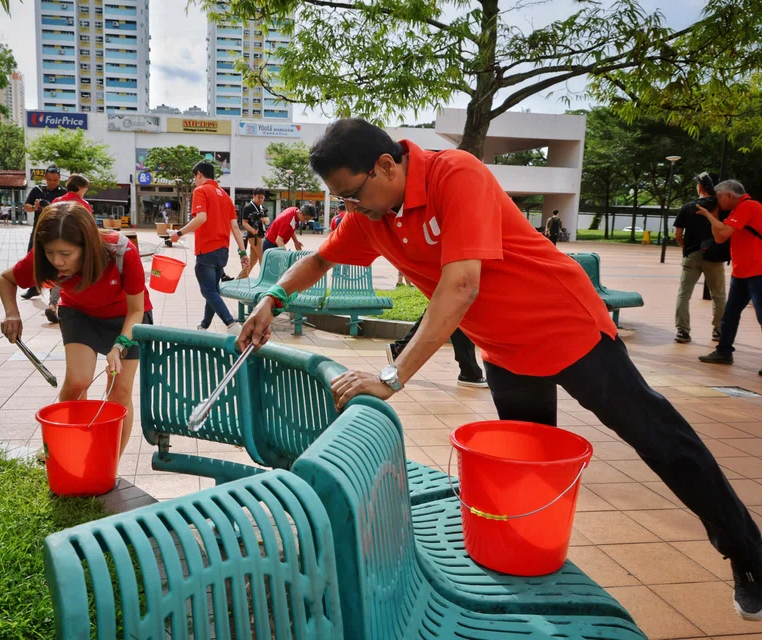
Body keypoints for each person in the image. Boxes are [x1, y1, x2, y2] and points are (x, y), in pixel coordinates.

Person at [237, 118, 762, 621]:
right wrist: (272, 298)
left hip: (568, 328)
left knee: (660, 440)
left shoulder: (454, 174)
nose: (350, 208)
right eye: (343, 200)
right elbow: (321, 259)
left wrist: (392, 377)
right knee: (529, 467)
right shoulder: (371, 217)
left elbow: (461, 285)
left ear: (385, 166)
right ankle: (531, 564)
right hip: (507, 351)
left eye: (353, 194)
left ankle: (748, 553)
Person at [0, 202, 151, 455]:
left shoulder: (121, 251)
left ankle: (109, 462)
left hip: (126, 317)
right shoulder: (46, 257)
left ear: (87, 246)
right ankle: (71, 449)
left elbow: (137, 309)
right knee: (77, 383)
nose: (57, 261)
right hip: (79, 314)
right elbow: (6, 279)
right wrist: (11, 313)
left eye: (66, 254)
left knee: (119, 391)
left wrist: (120, 344)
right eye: (50, 252)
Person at [168, 161, 249, 332]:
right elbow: (235, 227)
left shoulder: (201, 190)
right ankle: (204, 325)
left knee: (208, 291)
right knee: (213, 290)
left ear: (199, 174)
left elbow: (201, 218)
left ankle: (231, 324)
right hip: (222, 251)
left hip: (207, 250)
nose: (194, 181)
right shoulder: (225, 196)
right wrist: (243, 252)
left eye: (194, 177)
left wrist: (178, 234)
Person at [698, 180, 762, 367]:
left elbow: (724, 232)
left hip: (758, 271)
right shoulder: (736, 210)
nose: (716, 200)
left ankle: (724, 351)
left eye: (718, 197)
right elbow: (719, 238)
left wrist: (708, 215)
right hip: (741, 272)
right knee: (730, 315)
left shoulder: (749, 206)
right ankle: (723, 352)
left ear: (729, 195)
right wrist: (713, 214)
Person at [673, 173, 728, 344]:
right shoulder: (720, 207)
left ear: (699, 187)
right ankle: (718, 330)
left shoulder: (687, 207)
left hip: (692, 255)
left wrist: (686, 249)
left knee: (684, 294)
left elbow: (677, 235)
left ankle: (683, 331)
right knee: (718, 295)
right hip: (714, 255)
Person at [44, 174, 93, 324]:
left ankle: (52, 304)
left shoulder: (57, 201)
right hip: (76, 246)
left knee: (59, 274)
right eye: (85, 189)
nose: (85, 192)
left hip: (55, 244)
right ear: (80, 187)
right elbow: (89, 227)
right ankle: (75, 307)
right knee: (78, 275)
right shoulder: (83, 204)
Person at [22, 166, 68, 299]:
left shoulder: (64, 193)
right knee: (33, 258)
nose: (52, 182)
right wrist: (34, 207)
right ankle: (34, 287)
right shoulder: (37, 190)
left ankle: (53, 292)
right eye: (49, 179)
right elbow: (26, 207)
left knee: (54, 260)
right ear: (45, 178)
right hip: (38, 229)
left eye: (55, 180)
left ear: (59, 178)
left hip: (55, 231)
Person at [239, 188, 270, 279]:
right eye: (259, 197)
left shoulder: (262, 209)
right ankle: (265, 279)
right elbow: (244, 222)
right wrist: (252, 230)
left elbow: (268, 221)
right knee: (263, 259)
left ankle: (240, 279)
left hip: (261, 236)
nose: (260, 199)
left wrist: (263, 218)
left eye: (262, 198)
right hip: (254, 237)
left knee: (253, 260)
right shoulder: (248, 208)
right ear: (254, 196)